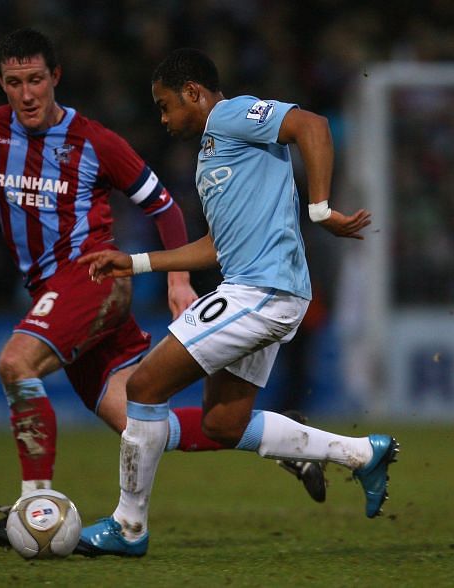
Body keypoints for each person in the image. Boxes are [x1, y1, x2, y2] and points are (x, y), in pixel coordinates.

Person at [0, 30, 326, 548]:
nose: (27, 93)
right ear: (1, 84)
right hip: (49, 290)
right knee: (142, 422)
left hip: (92, 280)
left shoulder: (94, 141)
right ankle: (290, 441)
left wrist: (178, 281)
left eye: (36, 79)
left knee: (15, 364)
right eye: (14, 83)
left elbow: (164, 206)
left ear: (55, 77)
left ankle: (33, 507)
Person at [75, 48, 399, 557]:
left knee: (142, 386)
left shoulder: (229, 115)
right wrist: (135, 263)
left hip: (260, 292)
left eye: (165, 106)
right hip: (257, 289)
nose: (162, 119)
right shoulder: (212, 154)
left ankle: (128, 527)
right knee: (223, 423)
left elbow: (311, 125)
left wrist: (319, 208)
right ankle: (361, 453)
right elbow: (214, 246)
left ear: (195, 94)